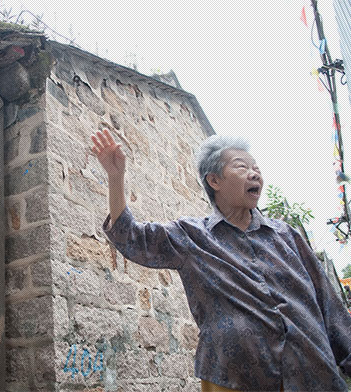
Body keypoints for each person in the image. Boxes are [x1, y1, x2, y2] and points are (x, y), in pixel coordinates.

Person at [91, 129, 351, 392]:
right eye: (241, 167)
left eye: (256, 168)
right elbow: (131, 238)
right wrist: (116, 177)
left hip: (313, 373)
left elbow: (328, 301)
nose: (254, 173)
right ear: (214, 180)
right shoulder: (190, 236)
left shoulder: (286, 235)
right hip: (235, 380)